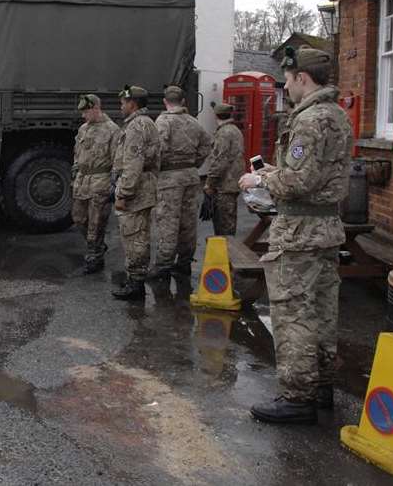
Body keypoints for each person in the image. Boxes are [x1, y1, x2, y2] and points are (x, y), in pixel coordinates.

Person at [239, 46, 352, 424]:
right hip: (325, 229)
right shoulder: (335, 115)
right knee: (321, 310)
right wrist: (276, 169)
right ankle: (321, 386)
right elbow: (314, 173)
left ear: (302, 78)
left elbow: (299, 181)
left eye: (286, 80)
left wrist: (260, 177)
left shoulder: (309, 120)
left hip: (300, 231)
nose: (285, 87)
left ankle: (297, 397)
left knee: (293, 313)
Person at [151, 85, 212, 279]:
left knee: (168, 221)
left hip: (169, 178)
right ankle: (184, 262)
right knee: (188, 222)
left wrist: (158, 167)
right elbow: (207, 144)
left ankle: (163, 265)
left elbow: (157, 150)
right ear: (184, 101)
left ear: (165, 101)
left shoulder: (163, 121)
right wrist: (195, 162)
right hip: (191, 176)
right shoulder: (194, 122)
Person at [112, 86, 160, 301]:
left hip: (136, 191)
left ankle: (136, 284)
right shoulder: (145, 122)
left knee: (134, 236)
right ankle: (135, 279)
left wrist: (123, 194)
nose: (121, 106)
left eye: (123, 102)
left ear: (132, 103)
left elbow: (133, 164)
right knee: (137, 234)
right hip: (143, 187)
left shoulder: (136, 126)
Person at [72, 94, 121, 274]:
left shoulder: (112, 130)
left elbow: (118, 159)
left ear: (95, 108)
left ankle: (94, 257)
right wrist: (75, 170)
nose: (83, 116)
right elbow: (77, 153)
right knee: (78, 219)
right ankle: (98, 246)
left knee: (96, 223)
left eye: (86, 111)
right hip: (82, 182)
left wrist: (114, 183)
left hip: (100, 181)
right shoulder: (83, 129)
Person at [204, 103, 245, 236]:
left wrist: (210, 183)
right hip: (233, 181)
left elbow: (220, 160)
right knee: (229, 220)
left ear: (216, 115)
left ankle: (225, 254)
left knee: (223, 225)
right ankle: (228, 251)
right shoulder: (235, 130)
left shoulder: (223, 133)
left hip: (224, 184)